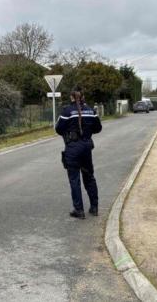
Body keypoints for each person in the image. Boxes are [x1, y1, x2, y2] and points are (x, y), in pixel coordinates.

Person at [55, 87, 102, 219]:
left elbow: (58, 129)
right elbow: (98, 128)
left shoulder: (67, 111)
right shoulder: (91, 110)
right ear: (83, 97)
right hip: (87, 147)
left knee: (74, 180)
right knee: (89, 177)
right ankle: (94, 207)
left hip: (73, 149)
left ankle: (79, 210)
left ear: (71, 97)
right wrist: (87, 132)